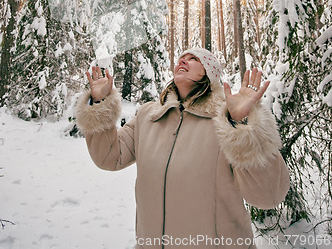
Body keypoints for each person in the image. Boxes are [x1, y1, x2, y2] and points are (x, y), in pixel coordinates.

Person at [75, 47, 290, 249]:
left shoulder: (226, 122)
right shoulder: (148, 116)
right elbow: (110, 157)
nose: (183, 60)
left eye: (194, 59)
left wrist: (243, 125)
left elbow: (268, 196)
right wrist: (100, 102)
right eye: (181, 58)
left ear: (210, 74)